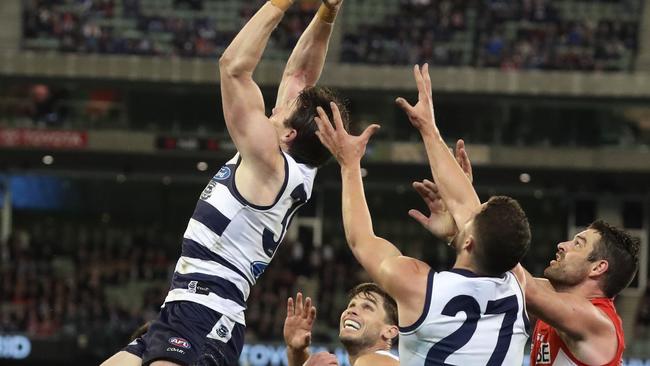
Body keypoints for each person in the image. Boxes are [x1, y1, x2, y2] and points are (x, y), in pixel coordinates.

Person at [101, 1, 349, 365]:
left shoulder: (269, 162)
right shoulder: (294, 162)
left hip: (208, 312)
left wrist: (280, 4)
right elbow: (300, 78)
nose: (275, 107)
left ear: (290, 133)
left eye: (283, 109)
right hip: (184, 305)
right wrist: (326, 14)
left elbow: (232, 67)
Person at [402, 77, 640, 364]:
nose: (563, 244)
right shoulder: (556, 300)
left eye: (579, 243)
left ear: (599, 267)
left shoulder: (595, 321)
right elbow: (499, 267)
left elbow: (506, 264)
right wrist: (461, 236)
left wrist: (429, 130)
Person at [312, 63, 531, 365]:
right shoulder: (519, 288)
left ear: (469, 242)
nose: (467, 210)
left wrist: (350, 164)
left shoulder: (419, 287)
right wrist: (459, 230)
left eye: (470, 220)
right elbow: (466, 206)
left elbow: (362, 240)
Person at [283, 284, 399, 366]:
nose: (351, 311)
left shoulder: (378, 362)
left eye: (367, 307)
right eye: (351, 305)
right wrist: (296, 351)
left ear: (390, 331)